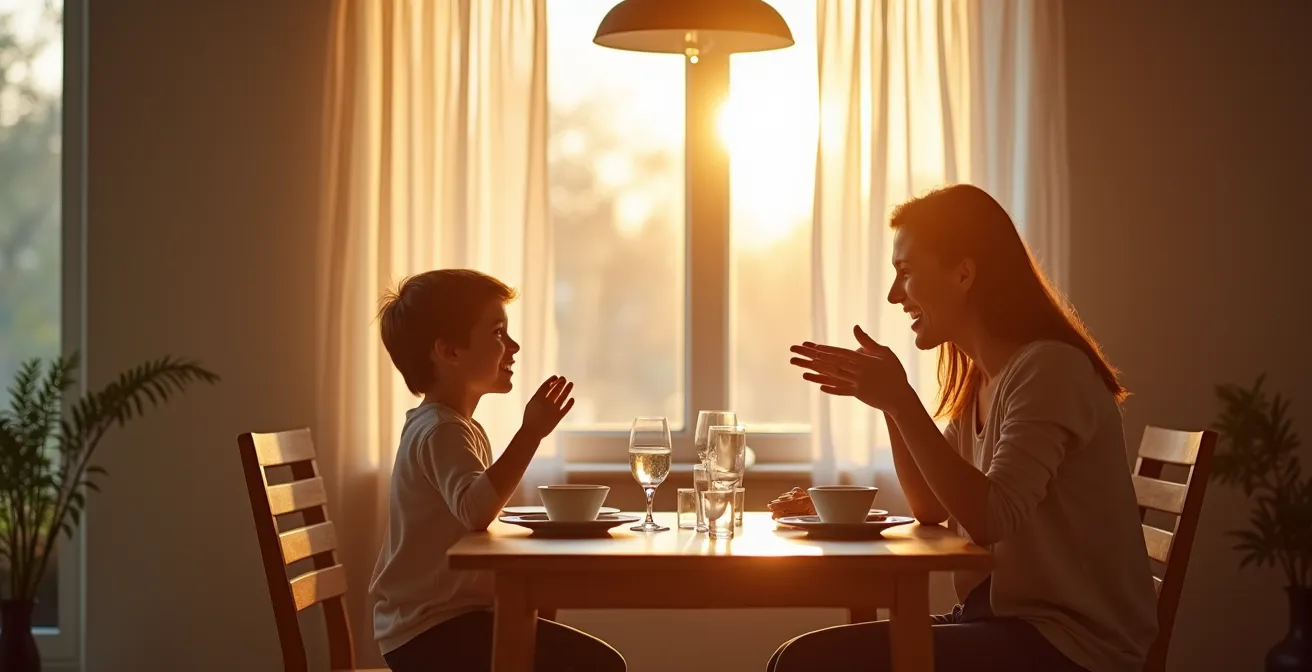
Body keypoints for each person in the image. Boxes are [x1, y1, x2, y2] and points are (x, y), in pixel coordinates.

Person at [775, 185, 1157, 671]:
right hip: (998, 623)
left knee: (807, 665)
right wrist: (891, 405)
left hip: (1069, 647)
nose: (895, 295)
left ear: (963, 273)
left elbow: (990, 517)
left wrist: (902, 399)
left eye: (906, 273)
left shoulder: (1048, 370)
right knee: (798, 659)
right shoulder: (985, 378)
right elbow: (930, 507)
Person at [369, 269, 625, 671]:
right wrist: (531, 434)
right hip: (430, 633)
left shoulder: (450, 425)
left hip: (434, 626)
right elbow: (475, 509)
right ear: (449, 351)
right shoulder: (441, 429)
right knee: (600, 665)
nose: (514, 346)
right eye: (497, 333)